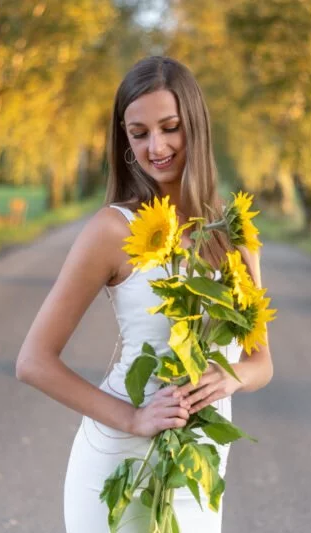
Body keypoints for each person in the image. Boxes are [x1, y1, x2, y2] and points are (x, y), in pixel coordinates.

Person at [15, 56, 274, 533]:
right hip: (118, 465)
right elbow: (33, 362)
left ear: (194, 125)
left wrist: (229, 377)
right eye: (138, 133)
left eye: (169, 127)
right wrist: (133, 419)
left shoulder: (232, 232)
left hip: (199, 468)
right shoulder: (115, 229)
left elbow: (262, 362)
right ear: (126, 142)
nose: (156, 146)